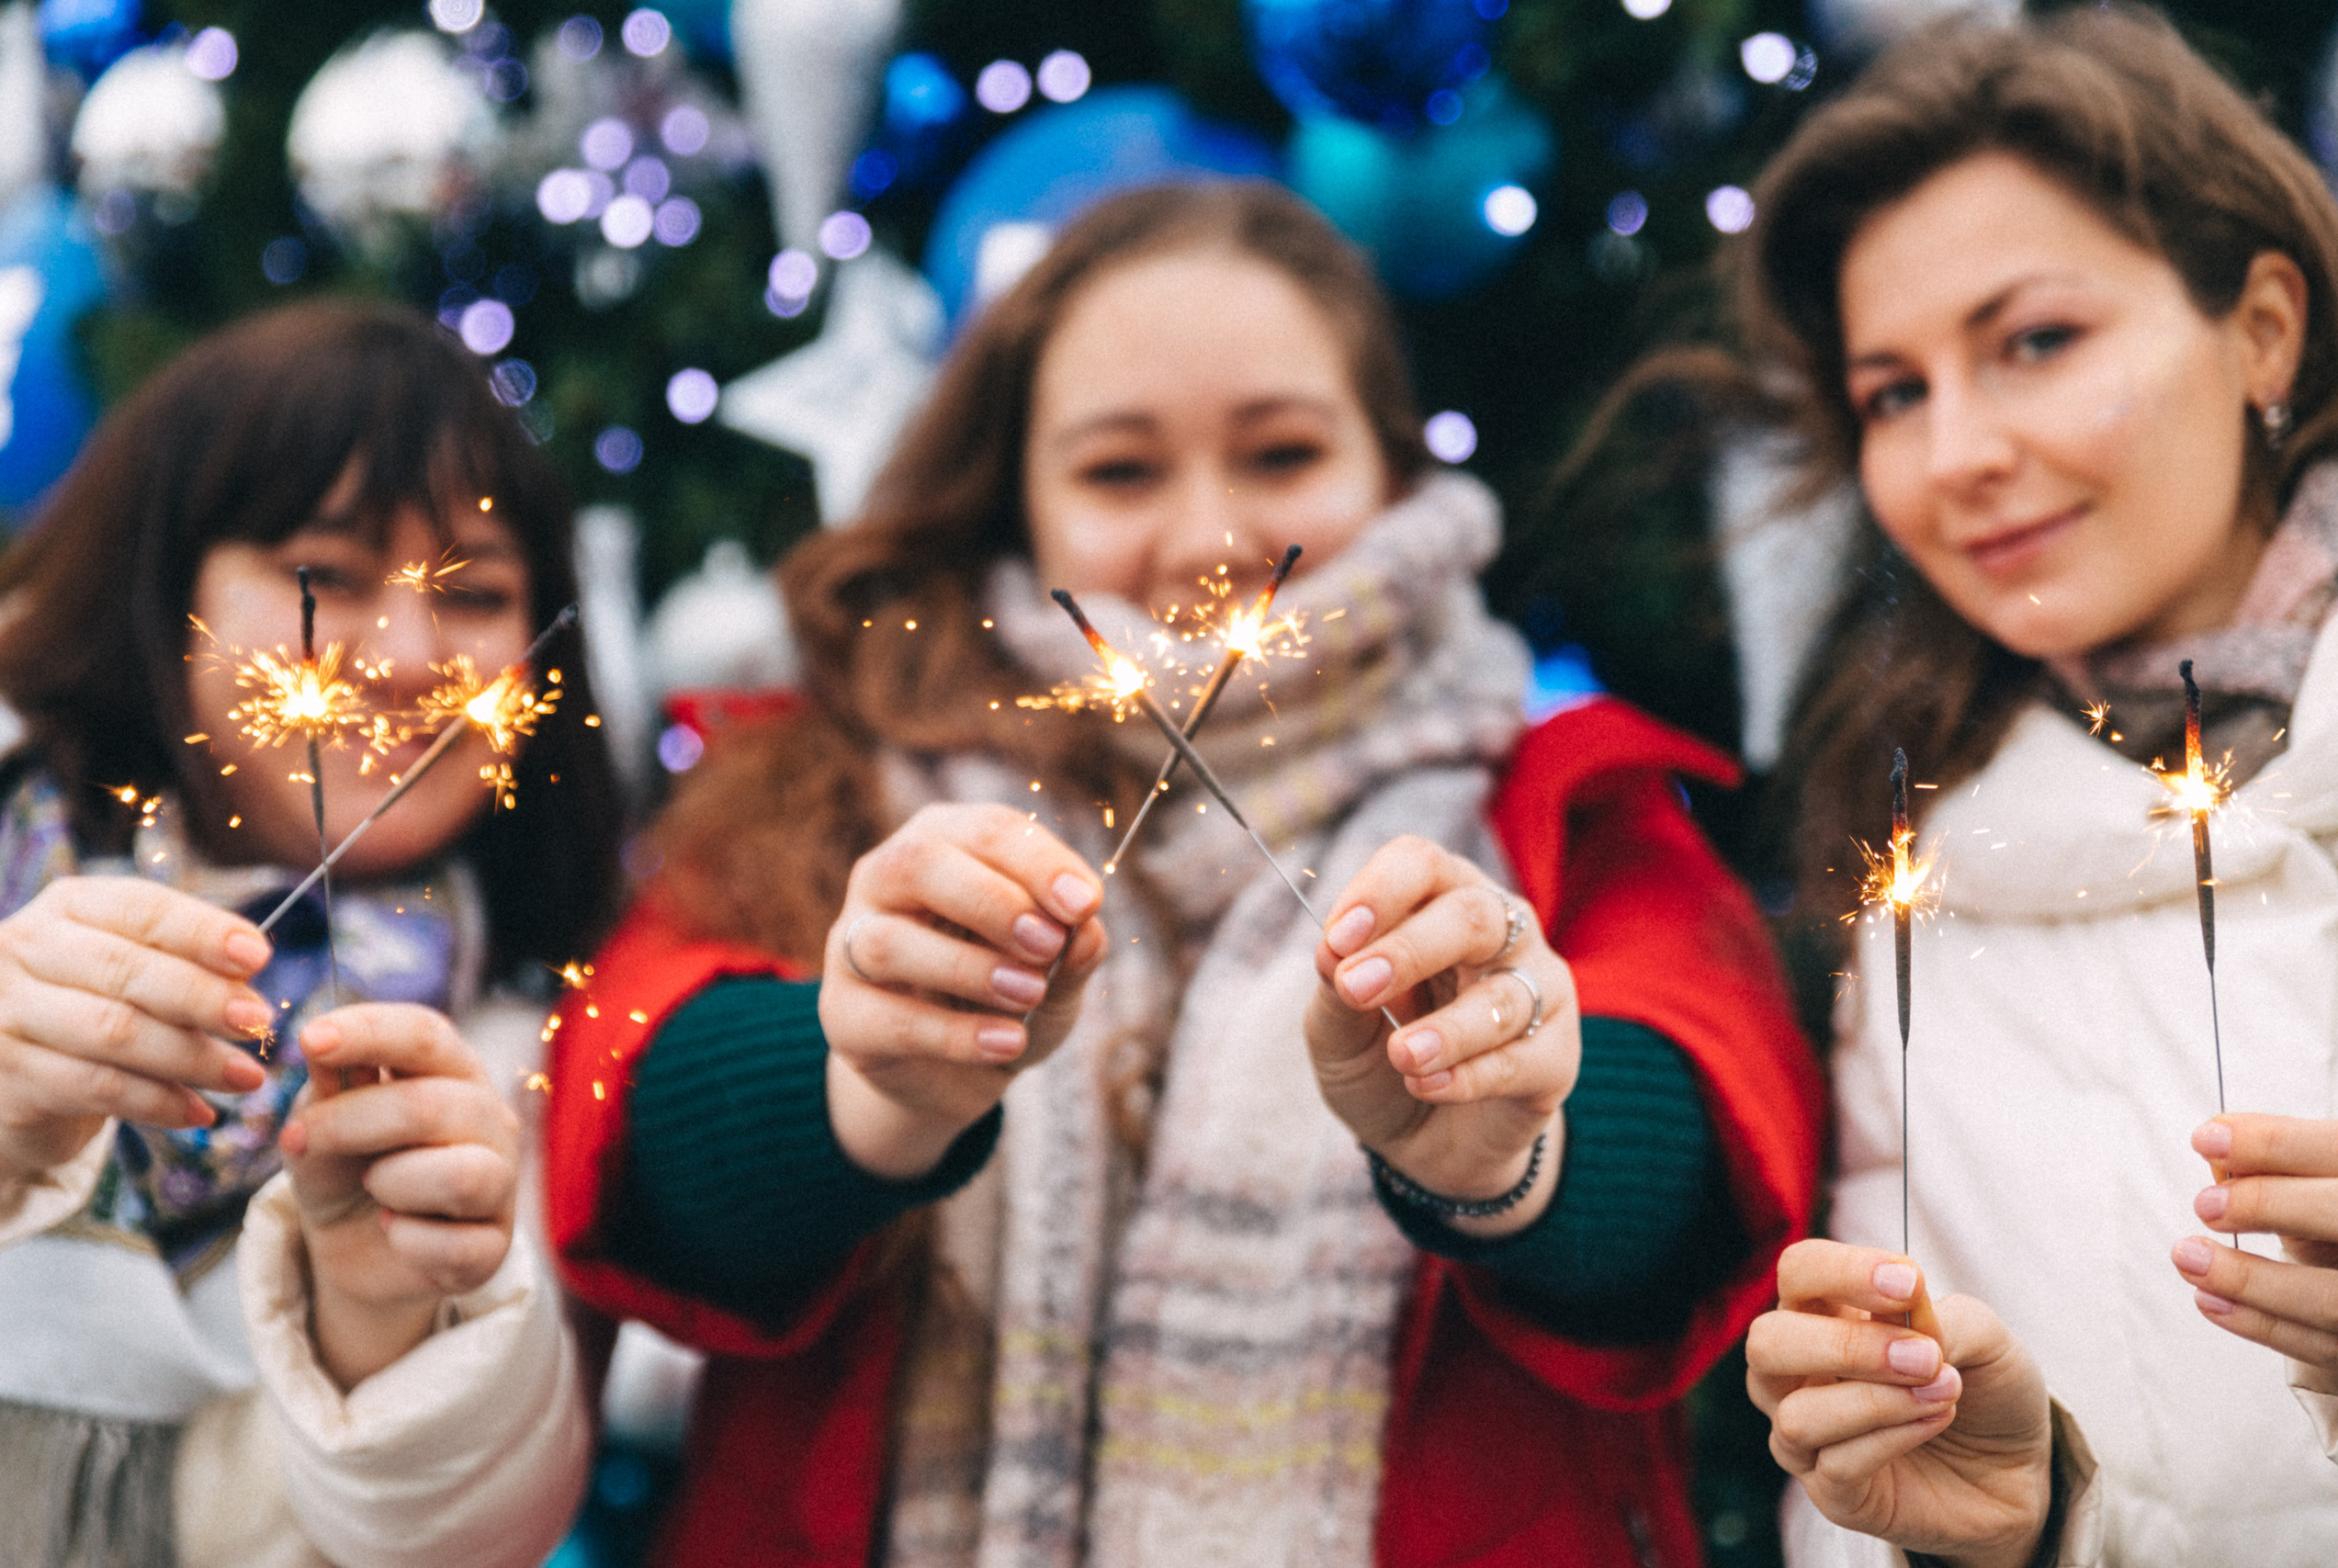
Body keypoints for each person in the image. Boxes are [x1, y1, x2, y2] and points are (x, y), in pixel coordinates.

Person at [547, 181, 1823, 1567]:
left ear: (1392, 469)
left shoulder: (1573, 804)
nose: (1211, 537)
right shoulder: (820, 782)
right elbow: (618, 1102)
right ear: (1015, 498)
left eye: (1280, 454)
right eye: (1120, 472)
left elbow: (1714, 1152)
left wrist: (1514, 1148)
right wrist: (867, 1083)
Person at [1709, 8, 2338, 1565]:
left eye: (2036, 341)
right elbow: (1861, 1510)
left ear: (2261, 328)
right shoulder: (1917, 867)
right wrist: (1998, 1534)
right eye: (1893, 393)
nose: (1960, 452)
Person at [0, 301, 619, 1567]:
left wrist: (385, 1321)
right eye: (325, 576)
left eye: (480, 593)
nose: (404, 656)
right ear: (165, 587)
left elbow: (487, 1533)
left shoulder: (541, 1039)